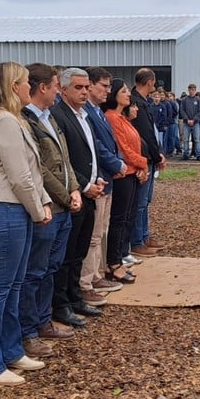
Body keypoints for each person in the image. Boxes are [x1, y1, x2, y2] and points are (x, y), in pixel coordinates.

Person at [0, 62, 51, 386]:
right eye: (26, 82)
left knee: (13, 286)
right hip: (6, 210)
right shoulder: (4, 121)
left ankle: (10, 348)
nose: (30, 87)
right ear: (13, 86)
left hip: (16, 209)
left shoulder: (14, 119)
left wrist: (41, 202)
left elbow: (33, 172)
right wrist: (38, 209)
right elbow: (19, 176)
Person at [19, 63, 81, 341]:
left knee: (51, 268)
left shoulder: (48, 118)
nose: (59, 90)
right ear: (42, 87)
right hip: (48, 207)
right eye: (56, 85)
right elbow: (39, 169)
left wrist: (76, 188)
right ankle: (30, 328)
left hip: (63, 206)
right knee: (36, 271)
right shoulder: (26, 121)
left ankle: (44, 321)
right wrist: (67, 196)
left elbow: (64, 160)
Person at [50, 68, 108, 322]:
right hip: (73, 194)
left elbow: (90, 153)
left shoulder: (85, 116)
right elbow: (65, 159)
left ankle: (75, 297)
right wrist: (84, 186)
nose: (84, 91)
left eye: (86, 87)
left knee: (80, 250)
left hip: (90, 191)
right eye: (78, 87)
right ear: (63, 90)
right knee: (67, 252)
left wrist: (97, 179)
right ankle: (61, 304)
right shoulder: (59, 116)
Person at [83, 67, 126, 296]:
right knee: (93, 235)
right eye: (104, 86)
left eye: (110, 87)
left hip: (107, 177)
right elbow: (97, 146)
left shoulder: (97, 111)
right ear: (91, 85)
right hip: (97, 178)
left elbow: (111, 143)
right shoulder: (87, 113)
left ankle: (98, 274)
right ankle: (87, 280)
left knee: (102, 231)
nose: (108, 91)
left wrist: (118, 162)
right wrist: (116, 164)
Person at [104, 80, 148, 283]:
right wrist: (143, 163)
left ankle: (120, 256)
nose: (128, 95)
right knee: (119, 219)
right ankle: (114, 261)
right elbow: (124, 149)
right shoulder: (112, 118)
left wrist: (140, 165)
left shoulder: (122, 118)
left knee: (128, 217)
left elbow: (135, 145)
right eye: (124, 91)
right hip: (123, 175)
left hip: (132, 172)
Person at [129, 68, 167, 254]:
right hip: (143, 158)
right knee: (140, 202)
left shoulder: (144, 102)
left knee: (146, 201)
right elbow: (145, 134)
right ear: (150, 82)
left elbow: (152, 132)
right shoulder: (136, 103)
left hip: (149, 156)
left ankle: (144, 236)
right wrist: (156, 154)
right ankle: (137, 241)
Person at [179, 84, 200, 160]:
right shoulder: (184, 100)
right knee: (186, 139)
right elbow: (182, 111)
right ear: (188, 90)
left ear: (195, 90)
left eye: (193, 90)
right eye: (190, 90)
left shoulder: (198, 100)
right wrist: (187, 119)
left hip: (196, 123)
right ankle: (186, 154)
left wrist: (194, 119)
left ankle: (198, 154)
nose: (191, 91)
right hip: (186, 123)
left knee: (197, 139)